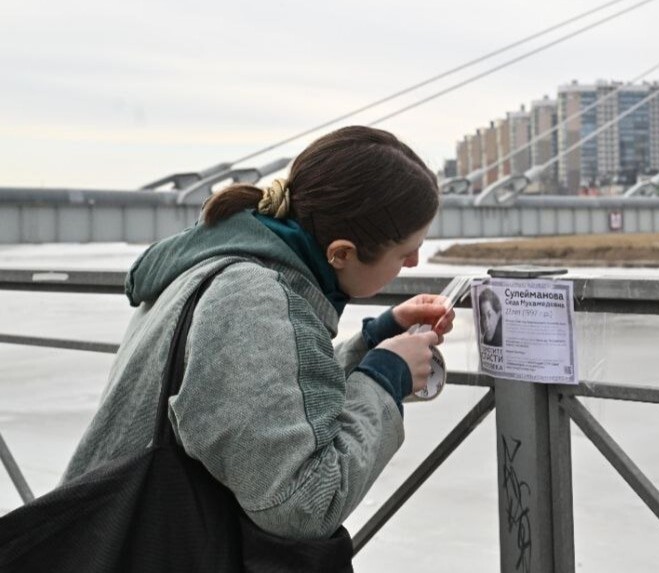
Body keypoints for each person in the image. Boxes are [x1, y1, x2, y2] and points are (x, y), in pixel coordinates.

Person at [61, 126, 454, 540]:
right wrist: (385, 378)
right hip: (135, 549)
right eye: (405, 250)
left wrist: (375, 342)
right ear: (341, 253)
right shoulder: (251, 297)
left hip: (112, 536)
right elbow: (302, 502)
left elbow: (262, 403)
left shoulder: (239, 264)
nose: (413, 263)